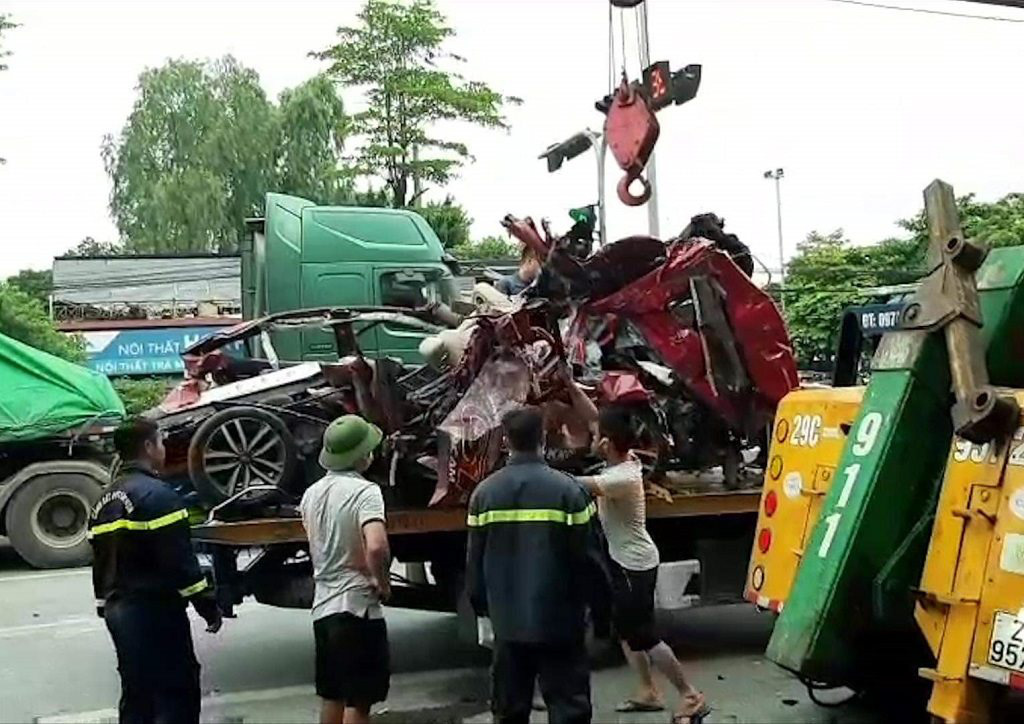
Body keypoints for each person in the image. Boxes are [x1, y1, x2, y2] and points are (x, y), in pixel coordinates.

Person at [466, 406, 609, 724]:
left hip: (508, 626)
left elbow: (474, 566)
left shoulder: (484, 495)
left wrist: (485, 613)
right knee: (569, 710)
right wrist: (602, 617)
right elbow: (590, 561)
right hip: (561, 624)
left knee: (509, 712)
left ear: (505, 441)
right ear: (543, 438)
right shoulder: (570, 492)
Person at [577, 406, 710, 724]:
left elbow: (576, 484)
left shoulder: (620, 476)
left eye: (596, 436)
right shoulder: (622, 462)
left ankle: (691, 696)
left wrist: (535, 469)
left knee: (643, 634)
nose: (592, 438)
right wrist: (569, 383)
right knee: (625, 630)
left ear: (607, 444)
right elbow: (594, 416)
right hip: (623, 559)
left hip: (634, 564)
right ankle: (648, 691)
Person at [90, 417, 222, 724]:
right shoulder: (159, 497)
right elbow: (179, 563)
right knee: (176, 692)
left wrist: (103, 604)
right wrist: (207, 606)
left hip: (118, 611)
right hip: (154, 611)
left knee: (137, 693)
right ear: (149, 447)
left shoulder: (102, 500)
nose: (163, 448)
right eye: (161, 442)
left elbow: (99, 561)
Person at [300, 415, 392, 724]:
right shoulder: (365, 492)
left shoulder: (310, 495)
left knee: (333, 695)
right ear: (360, 455)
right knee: (359, 700)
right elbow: (376, 546)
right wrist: (382, 582)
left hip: (323, 608)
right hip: (356, 608)